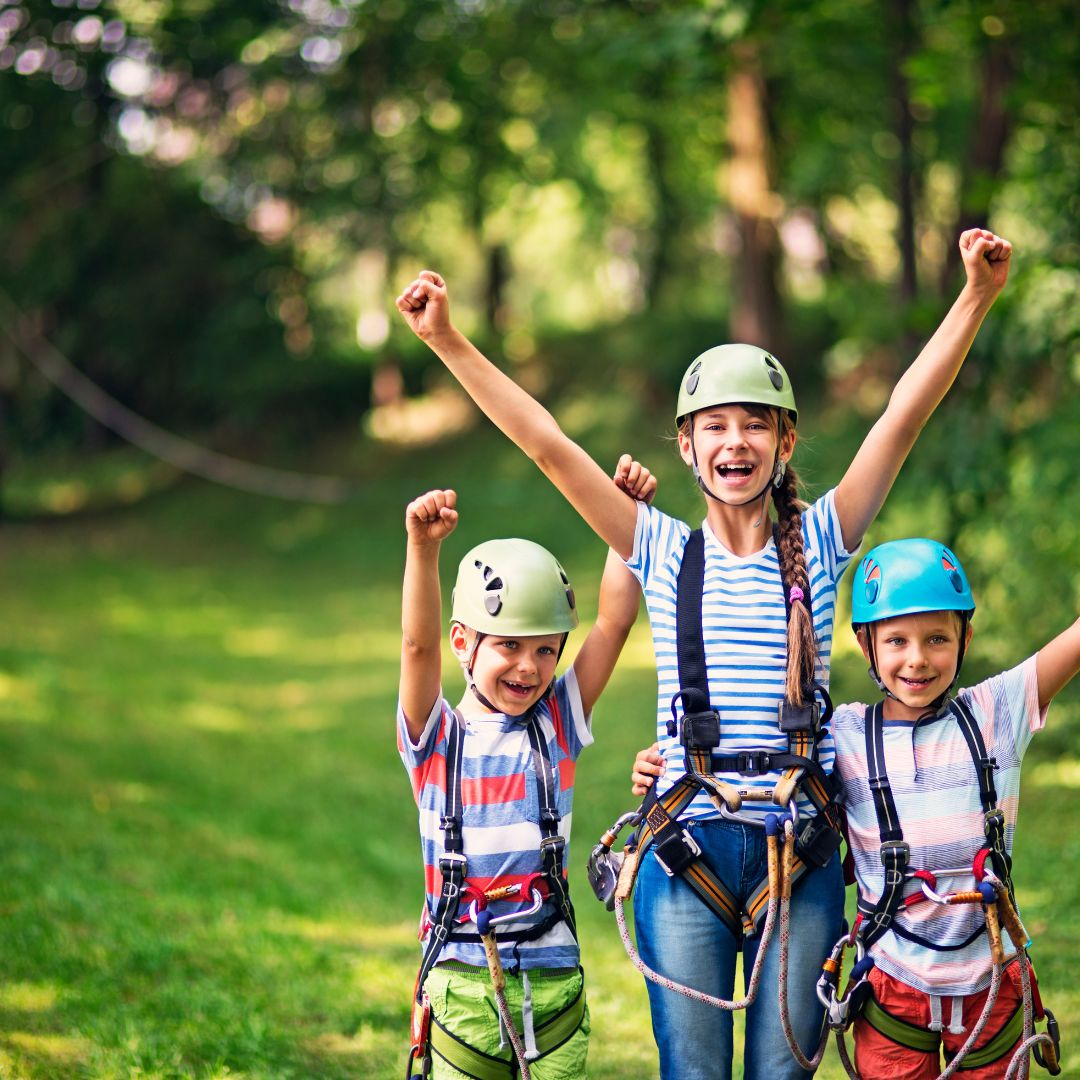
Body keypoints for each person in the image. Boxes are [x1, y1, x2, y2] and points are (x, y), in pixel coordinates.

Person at [395, 227, 1012, 1080]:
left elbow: (903, 414)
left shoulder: (826, 536)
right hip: (685, 854)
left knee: (781, 1073)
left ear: (785, 443)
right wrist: (446, 340)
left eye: (755, 425)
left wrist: (975, 295)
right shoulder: (660, 549)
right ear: (686, 446)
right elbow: (546, 444)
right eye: (714, 426)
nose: (735, 442)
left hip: (798, 852)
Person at [630, 537, 1076, 1079]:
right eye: (897, 641)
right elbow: (760, 756)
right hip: (892, 988)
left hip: (992, 982)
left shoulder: (996, 712)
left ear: (966, 639)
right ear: (866, 647)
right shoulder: (842, 735)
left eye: (937, 638)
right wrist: (664, 765)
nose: (917, 659)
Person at [399, 471, 651, 1080]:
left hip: (554, 980)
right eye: (508, 646)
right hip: (462, 987)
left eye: (546, 650)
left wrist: (628, 522)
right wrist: (423, 549)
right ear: (464, 642)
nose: (529, 667)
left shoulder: (558, 722)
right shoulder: (435, 738)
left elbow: (613, 621)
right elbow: (416, 648)